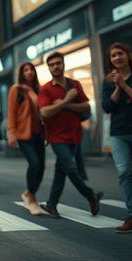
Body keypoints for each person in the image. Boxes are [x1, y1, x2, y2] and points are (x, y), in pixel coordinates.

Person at [38, 51, 103, 218]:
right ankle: (90, 196)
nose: (56, 67)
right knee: (70, 167)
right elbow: (45, 112)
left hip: (74, 134)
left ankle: (52, 204)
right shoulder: (45, 89)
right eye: (52, 65)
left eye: (58, 63)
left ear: (63, 64)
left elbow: (87, 107)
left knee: (61, 170)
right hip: (56, 136)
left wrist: (64, 104)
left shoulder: (75, 85)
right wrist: (68, 101)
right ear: (48, 68)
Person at [101, 43, 132, 233]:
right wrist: (117, 86)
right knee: (124, 173)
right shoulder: (108, 81)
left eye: (120, 54)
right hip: (118, 134)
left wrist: (124, 84)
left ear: (127, 55)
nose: (117, 58)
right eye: (113, 56)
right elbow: (108, 107)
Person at [7, 62, 45, 215]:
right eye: (26, 70)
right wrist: (12, 132)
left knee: (41, 167)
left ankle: (29, 193)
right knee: (34, 163)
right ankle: (32, 200)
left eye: (31, 70)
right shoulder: (16, 90)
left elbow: (43, 111)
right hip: (23, 133)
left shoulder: (38, 89)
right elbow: (11, 113)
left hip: (38, 133)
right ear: (21, 74)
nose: (29, 72)